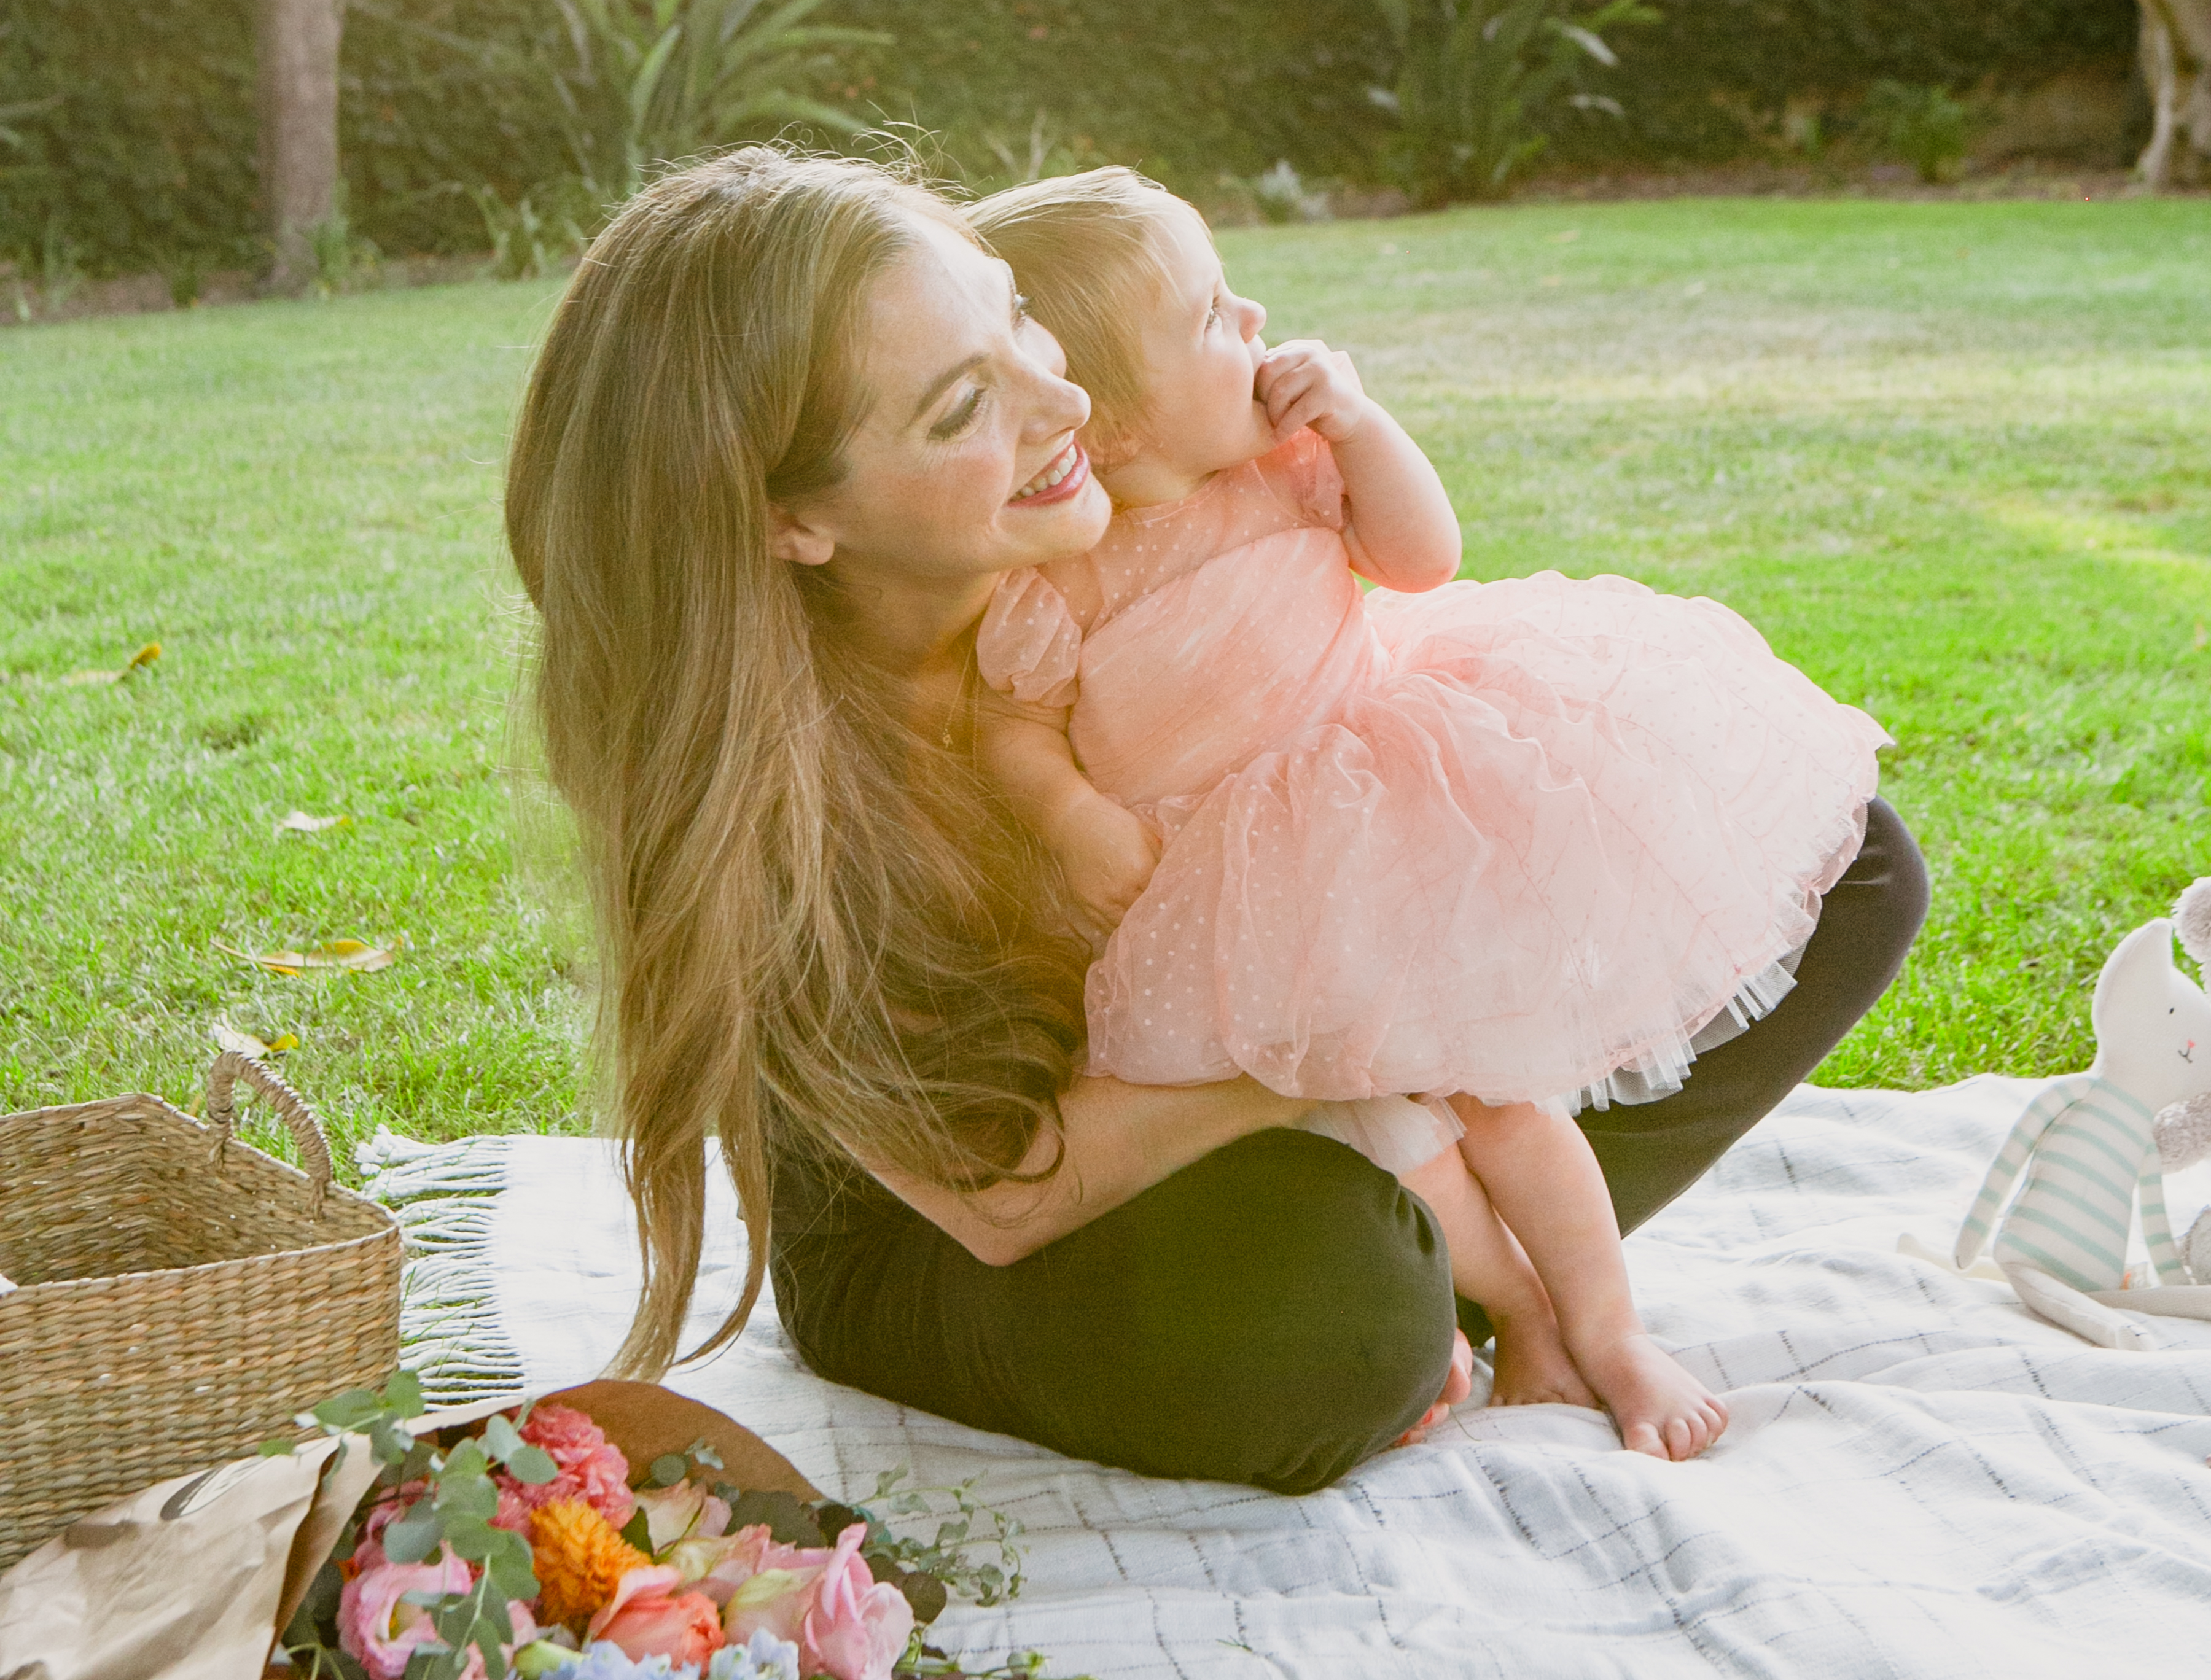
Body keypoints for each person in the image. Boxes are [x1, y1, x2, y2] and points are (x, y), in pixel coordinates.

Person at [505, 146, 1928, 1498]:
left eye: (1017, 317)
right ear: (791, 521)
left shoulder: (1099, 527)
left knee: (1829, 871)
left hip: (1289, 1052)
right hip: (997, 1216)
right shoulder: (771, 778)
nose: (1065, 404)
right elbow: (1009, 1195)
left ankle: (1489, 1263)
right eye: (959, 410)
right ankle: (1435, 1273)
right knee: (1328, 1306)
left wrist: (1450, 942)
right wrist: (1358, 1013)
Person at [967, 169, 1890, 1460]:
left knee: (1503, 1098)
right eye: (1214, 315)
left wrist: (1359, 425)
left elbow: (1421, 559)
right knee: (1402, 1142)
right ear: (1108, 425)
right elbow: (1009, 725)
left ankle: (1611, 1326)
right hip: (1236, 895)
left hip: (1391, 824)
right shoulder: (1062, 575)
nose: (1256, 318)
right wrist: (1069, 814)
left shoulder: (1288, 467)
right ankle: (1522, 1314)